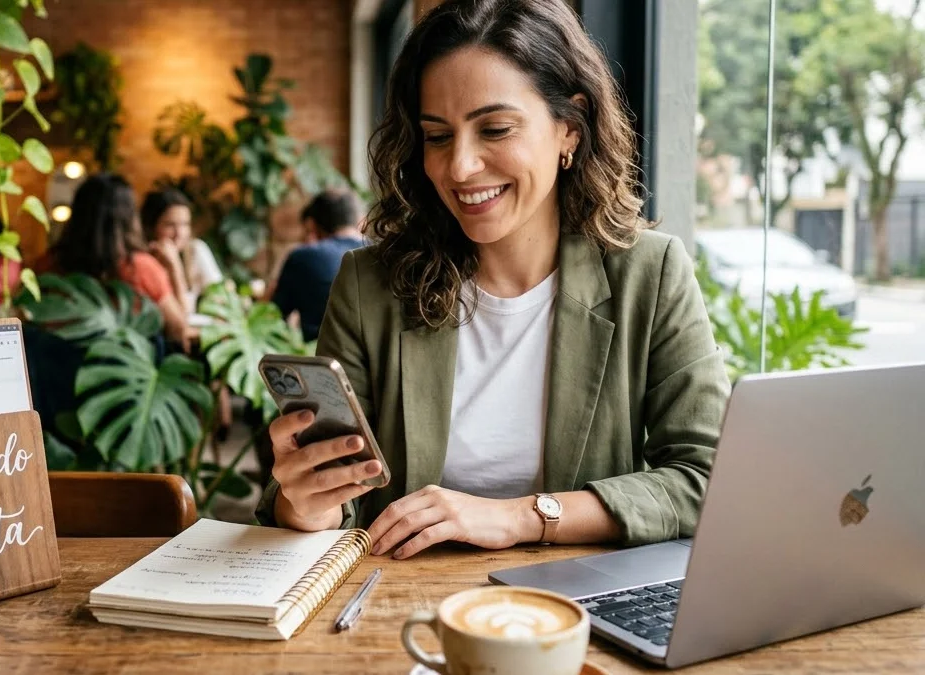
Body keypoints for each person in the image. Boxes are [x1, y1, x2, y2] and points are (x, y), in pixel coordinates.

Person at [256, 0, 731, 559]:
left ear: (569, 129)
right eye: (437, 137)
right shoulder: (370, 287)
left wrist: (523, 517)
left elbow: (712, 480)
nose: (459, 167)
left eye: (496, 129)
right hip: (401, 607)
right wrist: (309, 504)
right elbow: (337, 502)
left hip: (578, 612)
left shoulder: (649, 275)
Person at [40, 173, 192, 351]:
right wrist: (175, 269)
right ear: (129, 218)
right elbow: (179, 329)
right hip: (126, 376)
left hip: (58, 373)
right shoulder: (140, 268)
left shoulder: (48, 265)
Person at [267, 189, 366, 341]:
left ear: (311, 225)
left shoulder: (303, 257)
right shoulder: (385, 254)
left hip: (322, 359)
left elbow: (272, 318)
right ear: (361, 220)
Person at [139, 188, 224, 313]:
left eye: (185, 224)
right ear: (151, 227)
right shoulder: (143, 261)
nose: (179, 233)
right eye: (170, 225)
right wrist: (174, 266)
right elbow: (180, 317)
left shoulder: (195, 250)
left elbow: (221, 296)